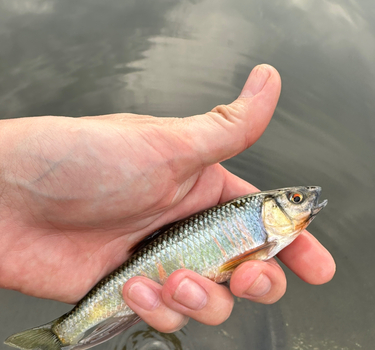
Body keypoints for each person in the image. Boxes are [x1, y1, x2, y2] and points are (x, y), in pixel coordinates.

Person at [0, 64, 335, 334]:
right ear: (272, 208)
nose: (304, 201)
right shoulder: (258, 228)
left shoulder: (263, 234)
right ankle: (63, 334)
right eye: (294, 198)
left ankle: (66, 333)